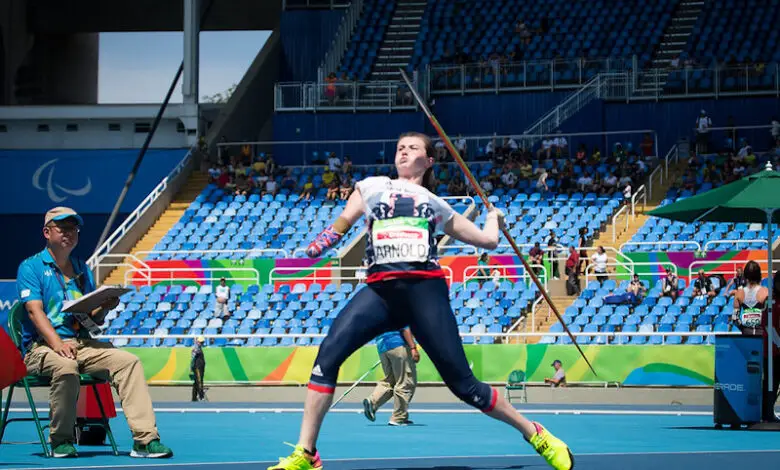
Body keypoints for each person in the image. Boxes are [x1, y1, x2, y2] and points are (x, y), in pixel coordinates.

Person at [267, 132, 573, 470]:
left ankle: (536, 434)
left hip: (424, 291)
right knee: (327, 358)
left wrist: (493, 219)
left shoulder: (436, 204)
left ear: (429, 161)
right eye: (399, 147)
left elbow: (488, 241)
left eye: (413, 147)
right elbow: (342, 222)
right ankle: (306, 453)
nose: (403, 151)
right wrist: (323, 242)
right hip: (380, 291)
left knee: (464, 386)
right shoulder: (371, 186)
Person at [16, 207, 173, 459]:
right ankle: (61, 440)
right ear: (47, 232)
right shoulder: (31, 267)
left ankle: (145, 440)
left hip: (81, 343)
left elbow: (88, 319)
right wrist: (57, 344)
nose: (69, 233)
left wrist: (104, 307)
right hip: (42, 348)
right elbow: (35, 313)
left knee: (128, 362)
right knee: (66, 366)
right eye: (62, 228)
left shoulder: (82, 269)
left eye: (73, 228)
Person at [731, 261, 777, 422]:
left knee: (748, 376)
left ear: (745, 275)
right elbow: (770, 318)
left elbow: (735, 318)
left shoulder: (738, 293)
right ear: (759, 275)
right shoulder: (765, 292)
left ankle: (746, 410)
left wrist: (745, 328)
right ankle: (767, 412)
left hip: (746, 338)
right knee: (766, 376)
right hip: (762, 338)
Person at [362, 328, 419, 425]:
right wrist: (413, 347)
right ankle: (398, 417)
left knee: (390, 381)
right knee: (405, 381)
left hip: (382, 346)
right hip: (398, 344)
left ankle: (373, 401)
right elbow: (404, 328)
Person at [191, 336, 206, 402]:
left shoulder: (198, 346)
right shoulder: (197, 347)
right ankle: (201, 397)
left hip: (200, 367)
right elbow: (193, 354)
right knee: (199, 382)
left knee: (196, 382)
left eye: (202, 342)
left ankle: (194, 398)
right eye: (201, 342)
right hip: (198, 367)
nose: (202, 343)